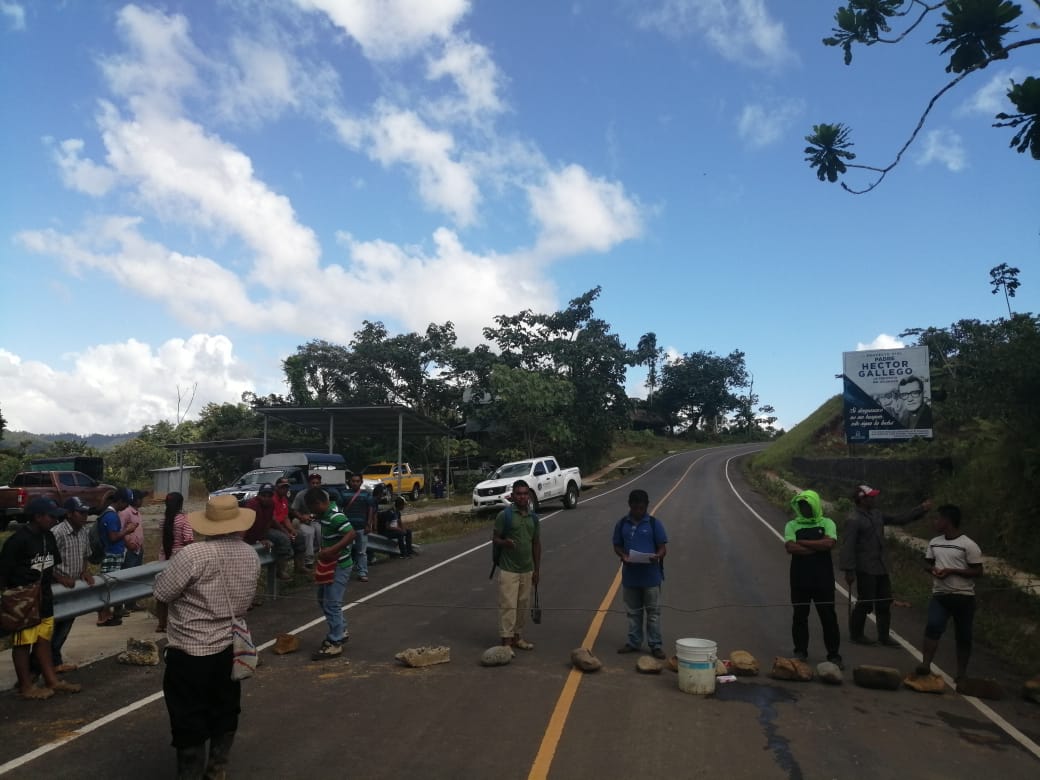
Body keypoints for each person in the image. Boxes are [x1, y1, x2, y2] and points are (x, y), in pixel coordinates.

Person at [154, 494, 259, 779]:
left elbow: (162, 593)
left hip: (190, 649)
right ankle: (216, 770)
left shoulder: (193, 555)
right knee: (225, 709)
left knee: (188, 717)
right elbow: (247, 602)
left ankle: (189, 773)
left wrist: (163, 620)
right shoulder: (251, 554)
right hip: (230, 647)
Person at [0, 497, 81, 699]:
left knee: (43, 639)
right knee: (23, 643)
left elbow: (49, 566)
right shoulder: (17, 541)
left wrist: (60, 578)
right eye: (51, 516)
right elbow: (3, 572)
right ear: (37, 517)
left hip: (44, 596)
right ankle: (26, 686)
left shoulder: (49, 537)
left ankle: (52, 680)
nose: (55, 520)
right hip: (24, 600)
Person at [840, 484, 931, 645]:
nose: (875, 499)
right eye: (871, 497)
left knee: (884, 602)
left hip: (881, 566)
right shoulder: (853, 519)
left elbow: (899, 519)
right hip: (865, 567)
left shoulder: (877, 514)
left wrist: (921, 509)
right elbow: (848, 546)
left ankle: (883, 636)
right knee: (866, 601)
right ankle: (856, 634)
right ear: (862, 499)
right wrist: (849, 570)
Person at [915, 505, 983, 683]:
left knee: (964, 635)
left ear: (947, 521)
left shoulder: (968, 545)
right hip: (940, 595)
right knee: (933, 626)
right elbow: (927, 563)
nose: (935, 522)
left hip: (964, 597)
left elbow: (977, 571)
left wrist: (952, 571)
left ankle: (961, 674)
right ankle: (925, 664)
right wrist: (933, 570)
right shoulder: (934, 542)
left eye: (938, 519)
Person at [784, 490, 842, 668]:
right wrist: (817, 548)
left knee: (828, 617)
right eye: (801, 505)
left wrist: (804, 543)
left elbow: (829, 543)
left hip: (823, 579)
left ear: (815, 505)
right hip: (800, 579)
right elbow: (791, 548)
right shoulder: (792, 525)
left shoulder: (827, 523)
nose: (804, 508)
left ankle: (833, 654)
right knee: (800, 616)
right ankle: (800, 651)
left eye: (807, 505)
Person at [612, 489, 668, 659]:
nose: (638, 511)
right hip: (631, 577)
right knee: (633, 612)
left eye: (641, 508)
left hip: (651, 577)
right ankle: (634, 642)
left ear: (646, 506)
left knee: (653, 614)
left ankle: (655, 645)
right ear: (630, 505)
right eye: (635, 508)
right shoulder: (622, 524)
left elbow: (663, 547)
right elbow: (617, 545)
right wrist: (623, 556)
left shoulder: (654, 524)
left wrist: (657, 556)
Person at [307, 487, 356, 660]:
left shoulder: (336, 516)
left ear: (319, 503)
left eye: (312, 508)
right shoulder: (325, 514)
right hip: (329, 564)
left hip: (339, 564)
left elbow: (351, 534)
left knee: (332, 603)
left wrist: (332, 550)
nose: (312, 512)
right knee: (323, 599)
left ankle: (336, 641)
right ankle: (340, 629)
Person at [492, 480, 541, 651]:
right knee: (508, 605)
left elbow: (536, 544)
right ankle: (506, 641)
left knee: (522, 605)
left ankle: (518, 637)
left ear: (529, 496)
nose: (522, 497)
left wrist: (537, 570)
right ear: (513, 496)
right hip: (508, 569)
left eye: (525, 494)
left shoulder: (533, 517)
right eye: (519, 494)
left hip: (527, 569)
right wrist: (505, 543)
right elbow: (495, 538)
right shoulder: (504, 516)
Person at [48, 497, 95, 673]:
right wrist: (59, 577)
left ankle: (54, 660)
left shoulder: (84, 531)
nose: (85, 516)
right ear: (69, 514)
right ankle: (44, 663)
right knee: (52, 626)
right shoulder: (57, 533)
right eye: (81, 512)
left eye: (86, 512)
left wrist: (85, 571)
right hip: (57, 588)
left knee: (66, 624)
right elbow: (46, 561)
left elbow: (85, 555)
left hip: (74, 587)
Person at [243, 483, 301, 581]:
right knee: (282, 539)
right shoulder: (252, 505)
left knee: (287, 539)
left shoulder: (271, 504)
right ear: (259, 495)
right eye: (263, 495)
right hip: (249, 535)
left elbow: (269, 521)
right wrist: (256, 540)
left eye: (269, 496)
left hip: (262, 532)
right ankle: (280, 570)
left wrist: (263, 537)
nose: (266, 498)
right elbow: (246, 525)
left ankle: (285, 568)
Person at [97, 487, 135, 626]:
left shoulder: (109, 514)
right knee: (108, 586)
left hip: (113, 553)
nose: (126, 507)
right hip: (111, 554)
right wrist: (127, 530)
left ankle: (107, 614)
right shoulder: (111, 516)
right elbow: (113, 537)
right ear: (120, 501)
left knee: (110, 585)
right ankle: (103, 616)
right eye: (126, 503)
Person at [157, 492, 193, 632]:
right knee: (181, 592)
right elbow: (188, 539)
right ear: (181, 504)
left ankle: (161, 624)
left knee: (162, 591)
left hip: (163, 558)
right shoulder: (184, 520)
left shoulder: (163, 520)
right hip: (180, 558)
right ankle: (179, 622)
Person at [341, 473, 375, 583]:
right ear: (349, 482)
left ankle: (362, 572)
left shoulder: (366, 495)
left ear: (361, 482)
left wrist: (369, 524)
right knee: (346, 551)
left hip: (362, 527)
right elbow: (339, 509)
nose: (355, 483)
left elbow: (370, 510)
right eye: (353, 481)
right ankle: (345, 574)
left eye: (357, 481)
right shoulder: (344, 494)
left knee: (362, 552)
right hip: (347, 529)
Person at [119, 489, 147, 612]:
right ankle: (123, 603)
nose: (142, 501)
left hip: (138, 549)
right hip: (129, 550)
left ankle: (132, 603)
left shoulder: (137, 513)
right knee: (128, 576)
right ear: (135, 499)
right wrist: (128, 543)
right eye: (140, 499)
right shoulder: (126, 512)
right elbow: (120, 530)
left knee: (136, 577)